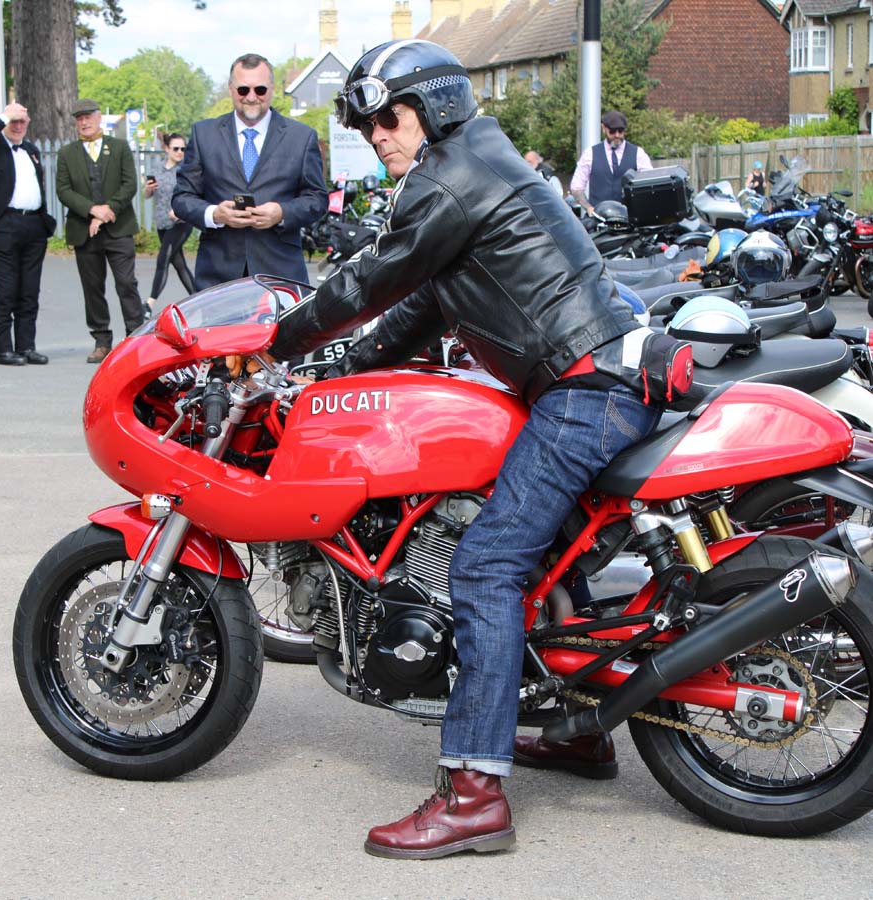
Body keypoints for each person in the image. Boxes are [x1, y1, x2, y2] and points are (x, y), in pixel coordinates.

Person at [261, 40, 662, 860]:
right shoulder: (474, 166)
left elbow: (371, 279)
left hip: (584, 392)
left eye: (388, 117)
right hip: (589, 381)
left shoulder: (452, 174)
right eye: (368, 123)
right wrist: (332, 365)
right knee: (547, 558)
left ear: (435, 105)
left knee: (484, 566)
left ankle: (473, 795)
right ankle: (576, 730)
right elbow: (417, 308)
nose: (377, 134)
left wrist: (277, 341)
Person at [172, 52, 329, 290]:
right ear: (231, 89)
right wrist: (215, 214)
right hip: (218, 277)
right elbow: (182, 198)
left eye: (260, 90)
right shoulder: (204, 135)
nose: (252, 97)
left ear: (272, 89)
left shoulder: (301, 137)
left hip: (281, 276)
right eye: (244, 90)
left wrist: (281, 213)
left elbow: (317, 199)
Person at [56, 98, 144, 363]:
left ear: (98, 118)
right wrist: (92, 210)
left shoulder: (119, 148)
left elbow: (130, 185)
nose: (84, 122)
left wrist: (107, 211)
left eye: (88, 117)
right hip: (85, 231)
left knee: (127, 284)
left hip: (119, 229)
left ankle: (135, 338)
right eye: (79, 118)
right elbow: (63, 190)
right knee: (92, 288)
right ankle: (102, 340)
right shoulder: (67, 153)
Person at [0, 101, 56, 365]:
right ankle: (3, 349)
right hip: (5, 225)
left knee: (29, 290)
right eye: (13, 121)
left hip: (33, 225)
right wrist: (4, 115)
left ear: (28, 123)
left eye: (22, 121)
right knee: (5, 290)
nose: (18, 126)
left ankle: (26, 345)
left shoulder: (32, 150)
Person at [144, 132, 196, 314]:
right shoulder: (157, 169)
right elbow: (147, 195)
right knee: (179, 263)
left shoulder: (185, 171)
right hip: (162, 222)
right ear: (166, 149)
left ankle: (149, 303)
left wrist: (179, 209)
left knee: (163, 258)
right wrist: (148, 189)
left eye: (183, 149)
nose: (180, 152)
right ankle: (198, 297)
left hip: (181, 222)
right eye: (176, 148)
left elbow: (193, 194)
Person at [569, 110, 652, 218]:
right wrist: (588, 208)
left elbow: (649, 182)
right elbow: (576, 187)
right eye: (612, 131)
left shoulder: (638, 154)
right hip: (598, 219)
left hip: (628, 219)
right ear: (603, 128)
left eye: (621, 131)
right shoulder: (590, 154)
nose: (617, 135)